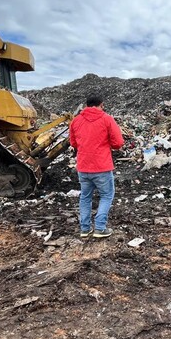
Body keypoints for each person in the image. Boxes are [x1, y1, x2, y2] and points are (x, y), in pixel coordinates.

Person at [69, 95, 124, 238]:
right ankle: (100, 228)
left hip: (83, 166)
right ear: (101, 104)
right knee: (106, 195)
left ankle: (85, 229)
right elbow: (118, 142)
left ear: (86, 105)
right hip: (101, 166)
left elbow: (73, 143)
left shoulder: (76, 121)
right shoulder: (106, 119)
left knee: (85, 197)